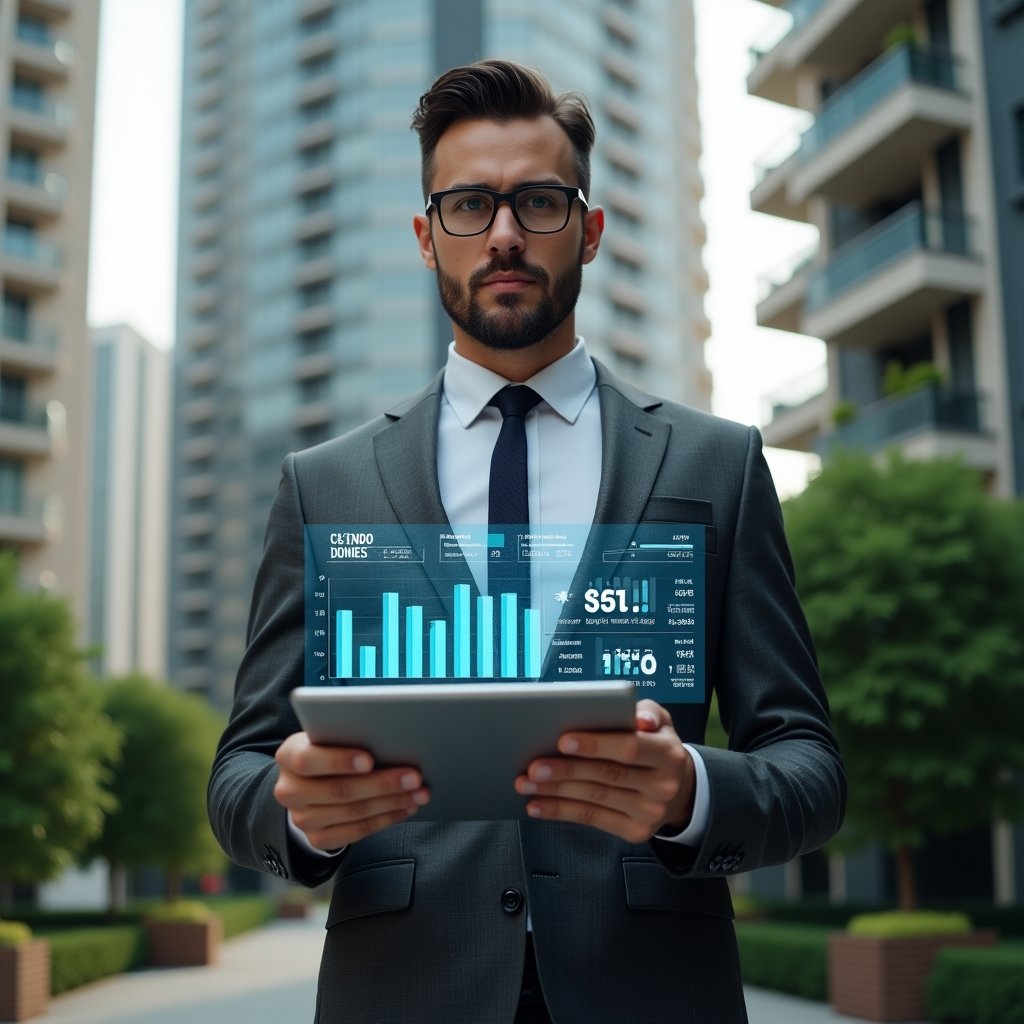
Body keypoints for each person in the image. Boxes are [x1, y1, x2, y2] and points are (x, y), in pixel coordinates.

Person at [209, 59, 845, 1024]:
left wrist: (690, 793)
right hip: (403, 991)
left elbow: (806, 761)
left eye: (538, 201)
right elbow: (241, 772)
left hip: (654, 992)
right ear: (427, 238)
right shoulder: (325, 486)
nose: (503, 234)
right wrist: (300, 815)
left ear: (588, 228)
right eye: (469, 205)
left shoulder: (715, 466)